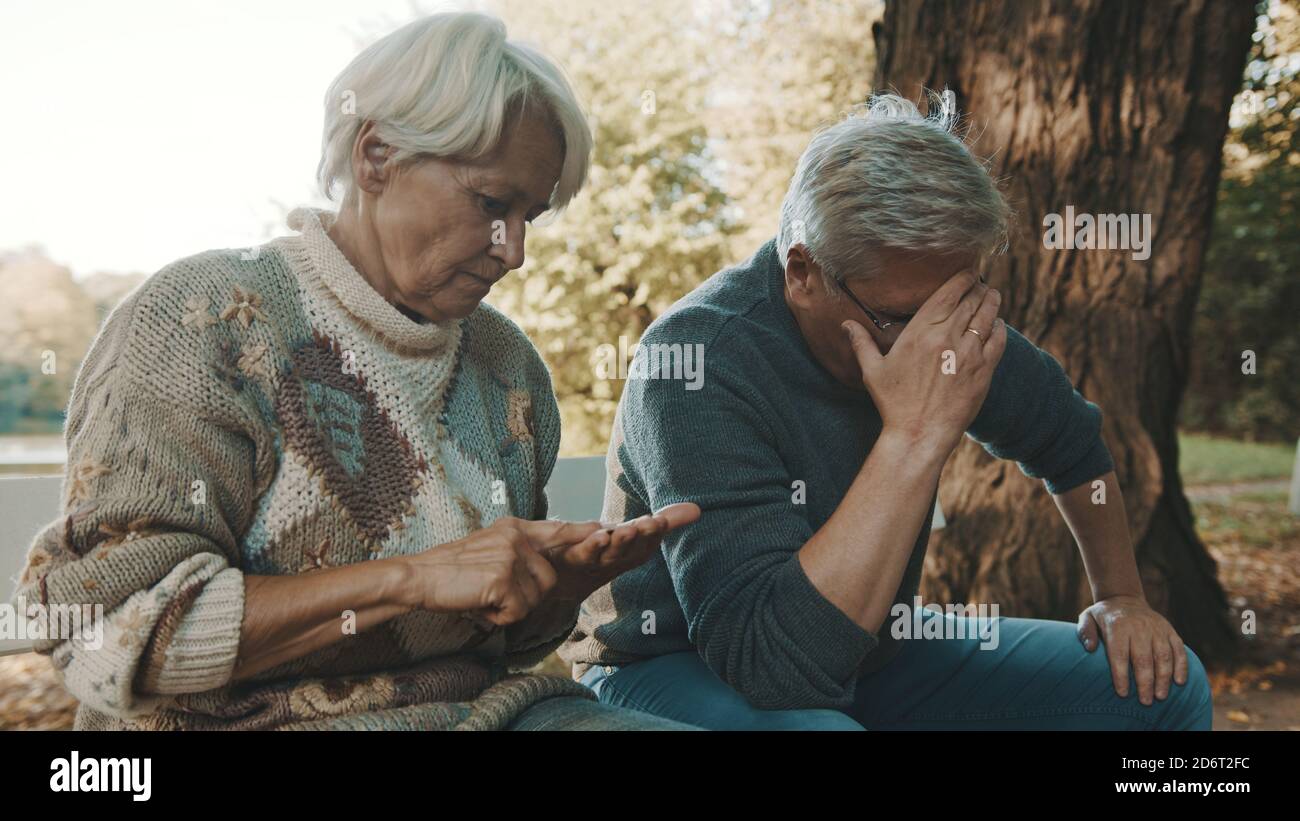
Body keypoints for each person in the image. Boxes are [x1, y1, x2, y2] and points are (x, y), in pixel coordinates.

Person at [10, 11, 701, 731]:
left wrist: (555, 588)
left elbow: (506, 647)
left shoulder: (508, 369)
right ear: (376, 156)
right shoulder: (201, 322)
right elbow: (105, 628)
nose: (515, 251)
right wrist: (412, 580)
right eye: (493, 204)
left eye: (532, 213)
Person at [560, 92, 1213, 731]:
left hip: (872, 652)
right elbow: (769, 665)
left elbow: (1072, 443)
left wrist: (1122, 596)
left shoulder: (932, 316)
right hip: (667, 668)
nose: (934, 347)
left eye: (954, 306)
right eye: (899, 319)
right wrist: (912, 436)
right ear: (803, 273)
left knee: (1166, 685)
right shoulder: (697, 360)